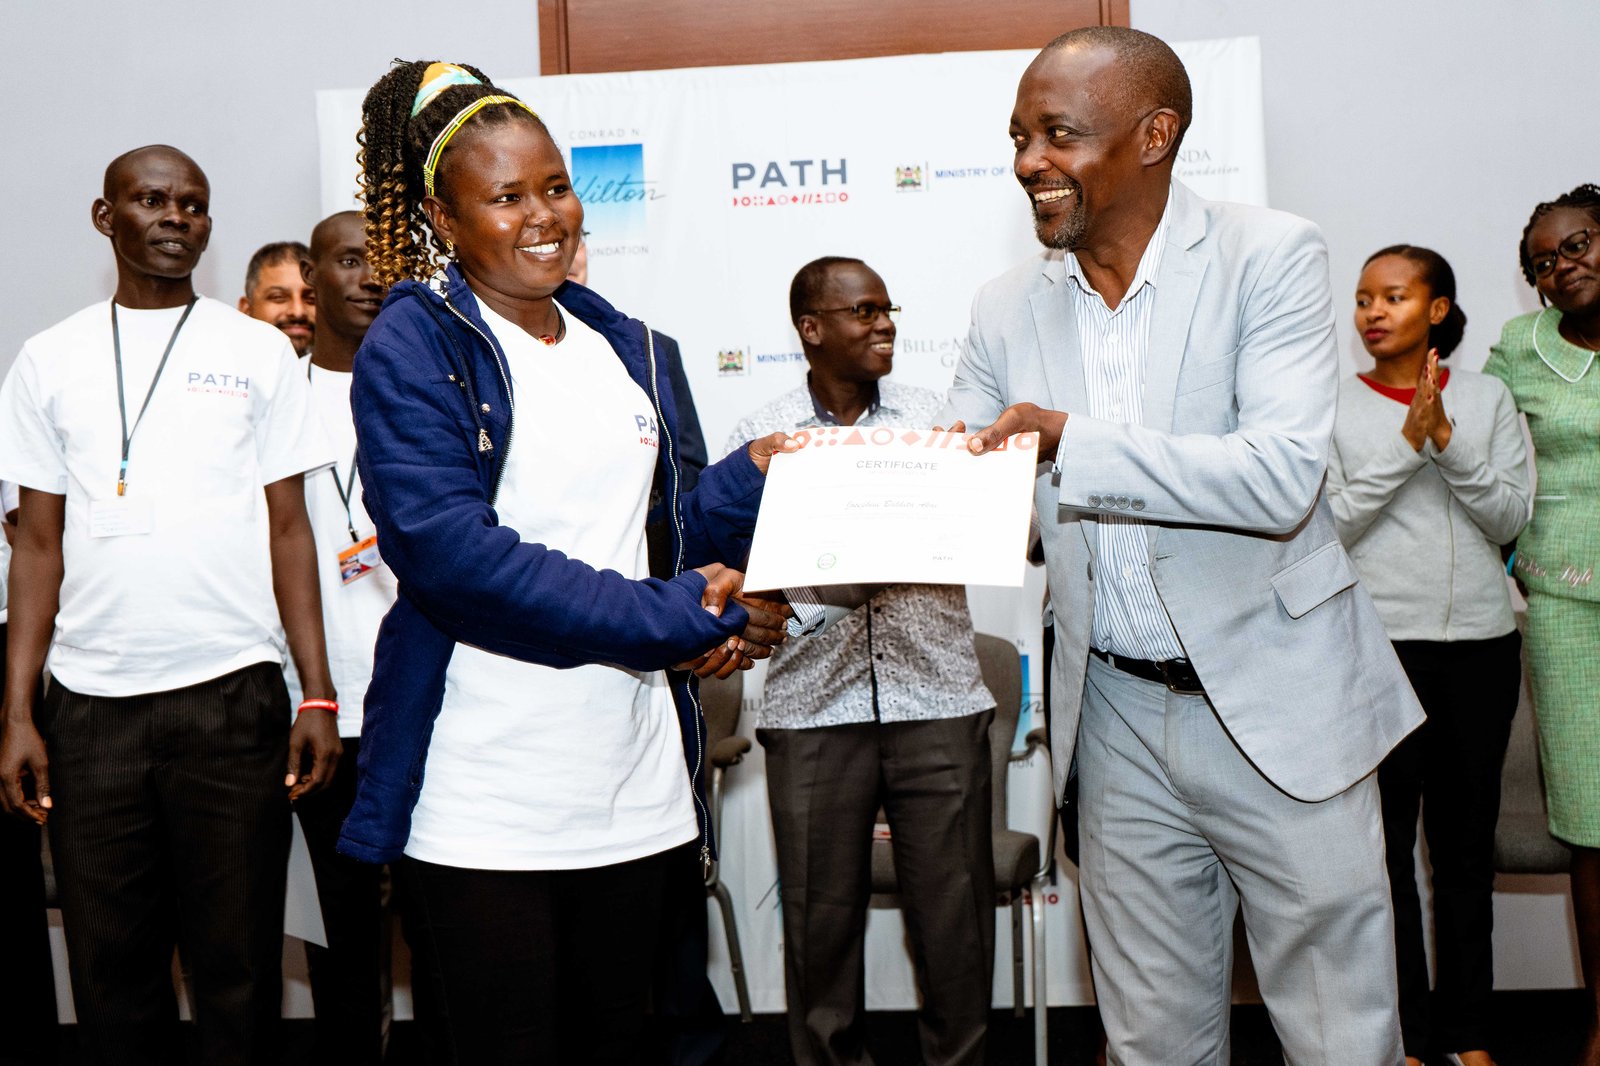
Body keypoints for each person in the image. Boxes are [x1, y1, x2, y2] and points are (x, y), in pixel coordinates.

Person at [943, 28, 1423, 1063]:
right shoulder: (1002, 306)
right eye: (1020, 136)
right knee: (1152, 1043)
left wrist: (1069, 442)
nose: (1029, 160)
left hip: (1281, 699)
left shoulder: (1270, 254)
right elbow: (977, 500)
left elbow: (1278, 477)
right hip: (1109, 714)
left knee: (1341, 1034)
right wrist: (855, 495)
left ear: (1155, 135)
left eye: (1059, 133)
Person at [330, 61, 794, 1064]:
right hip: (489, 798)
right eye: (506, 196)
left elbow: (665, 528)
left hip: (635, 785)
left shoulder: (621, 342)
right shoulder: (416, 341)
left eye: (554, 185)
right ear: (444, 219)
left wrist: (754, 490)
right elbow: (451, 554)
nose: (545, 215)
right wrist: (677, 617)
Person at [0, 145, 340, 1066]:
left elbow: (291, 534)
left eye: (194, 204)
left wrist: (316, 693)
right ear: (105, 217)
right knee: (114, 979)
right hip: (89, 712)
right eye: (152, 200)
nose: (176, 217)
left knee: (238, 979)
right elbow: (34, 546)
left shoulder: (259, 352)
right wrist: (18, 711)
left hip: (232, 701)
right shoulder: (48, 359)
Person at [727, 256, 997, 1066]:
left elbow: (984, 533)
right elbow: (747, 579)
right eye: (862, 311)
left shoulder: (934, 424)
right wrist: (818, 587)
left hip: (940, 697)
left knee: (956, 928)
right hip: (813, 709)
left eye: (889, 309)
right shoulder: (765, 438)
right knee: (818, 926)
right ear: (811, 328)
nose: (885, 324)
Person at [1330, 245, 1529, 1066]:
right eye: (1364, 299)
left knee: (1463, 856)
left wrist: (1446, 438)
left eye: (1395, 297)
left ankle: (1469, 1035)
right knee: (1383, 860)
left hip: (1480, 651)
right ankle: (1406, 1037)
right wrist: (1407, 447)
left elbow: (1510, 517)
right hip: (1378, 652)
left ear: (1437, 310)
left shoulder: (1486, 399)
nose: (1374, 312)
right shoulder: (1333, 409)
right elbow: (1331, 528)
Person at [1484, 183, 1600, 1066]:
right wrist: (1509, 552)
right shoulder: (1520, 349)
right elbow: (1471, 448)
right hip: (1565, 607)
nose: (1563, 267)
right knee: (1593, 824)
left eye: (1578, 245)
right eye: (1544, 262)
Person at [289, 210, 393, 1065]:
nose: (370, 277)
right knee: (341, 934)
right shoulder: (273, 398)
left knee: (442, 925)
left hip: (426, 704)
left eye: (385, 262)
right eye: (351, 260)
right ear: (311, 277)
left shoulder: (431, 390)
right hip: (316, 710)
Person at [566, 230, 708, 575]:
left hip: (650, 567)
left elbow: (687, 466)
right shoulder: (497, 352)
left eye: (575, 239)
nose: (567, 253)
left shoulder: (651, 350)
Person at [239, 240, 316, 355]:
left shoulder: (350, 370)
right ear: (246, 310)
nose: (298, 312)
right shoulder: (221, 367)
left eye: (311, 298)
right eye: (278, 297)